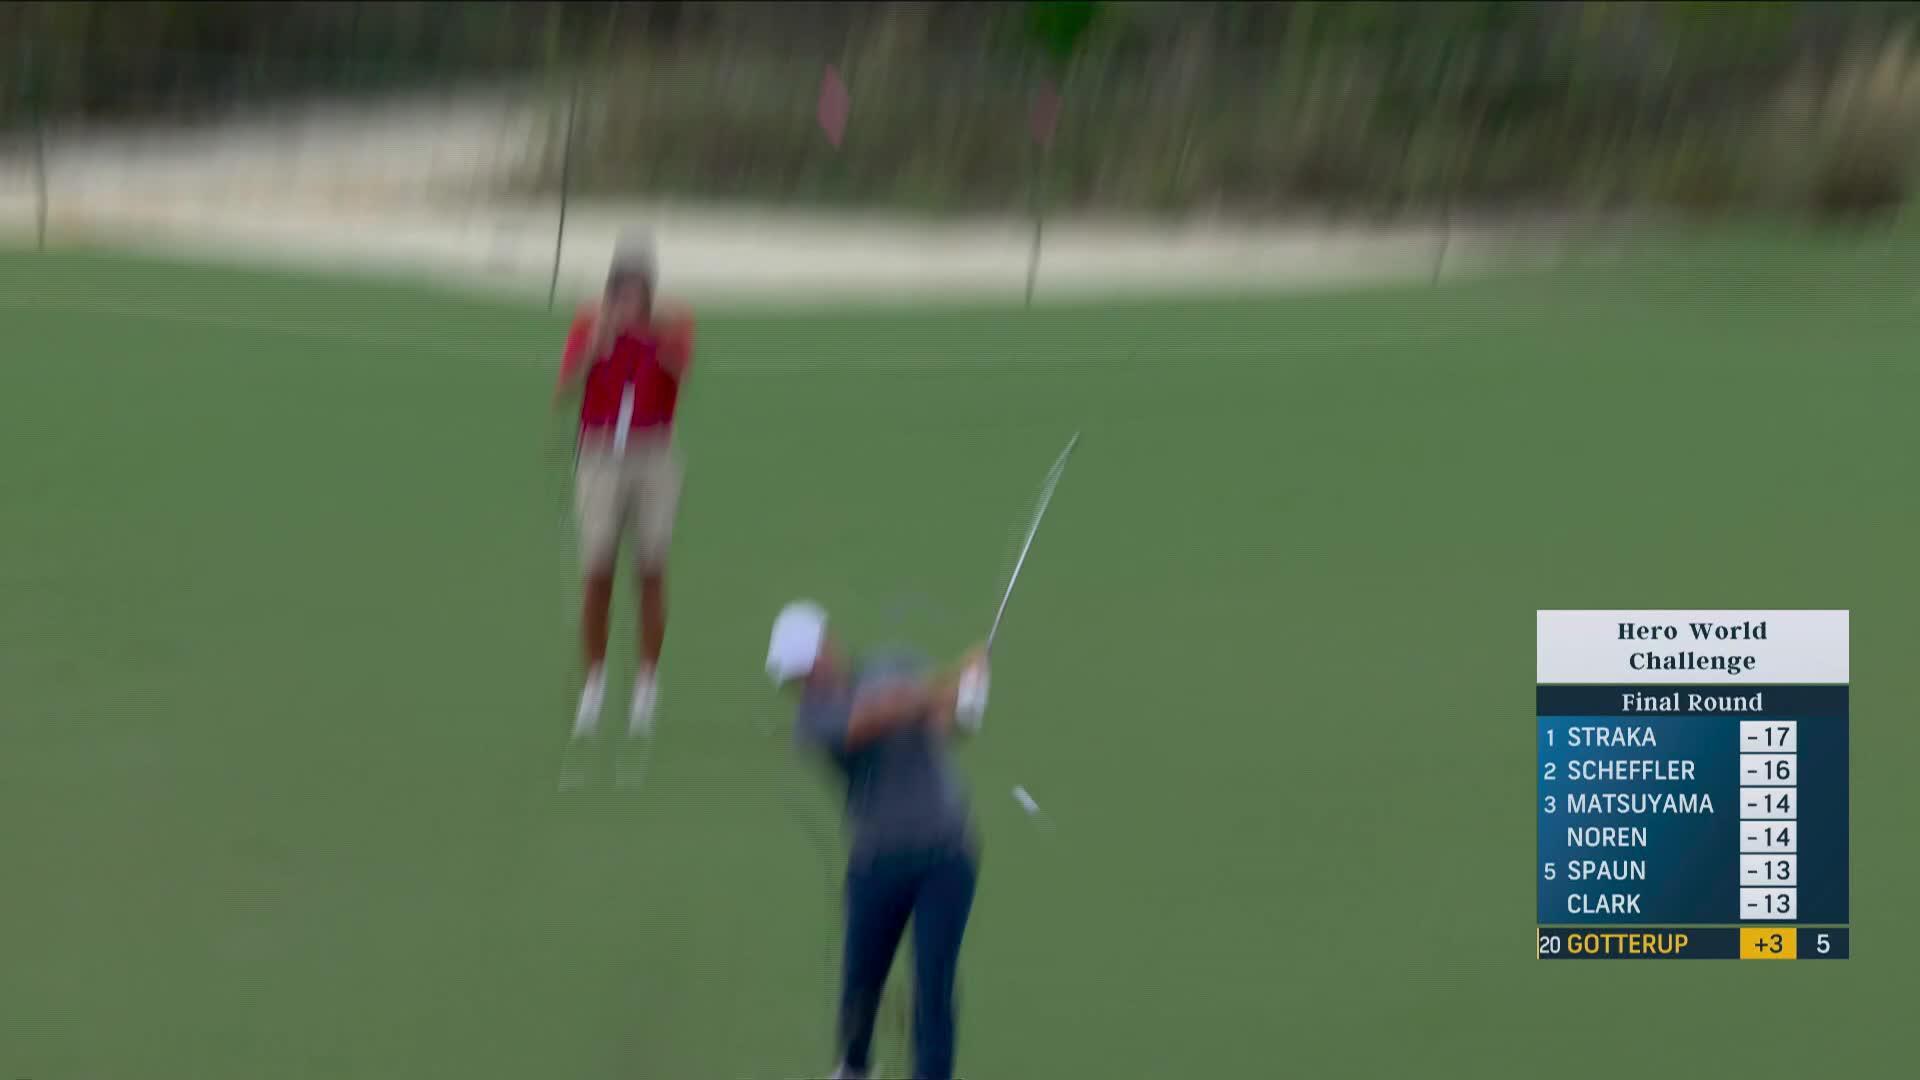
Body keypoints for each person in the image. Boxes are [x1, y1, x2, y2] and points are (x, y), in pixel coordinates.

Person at [765, 601, 990, 1080]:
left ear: (828, 647)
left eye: (806, 666)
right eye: (795, 675)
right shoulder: (813, 722)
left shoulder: (894, 664)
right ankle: (854, 1067)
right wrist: (948, 681)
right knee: (862, 982)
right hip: (876, 864)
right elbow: (875, 718)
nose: (803, 681)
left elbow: (944, 725)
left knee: (934, 984)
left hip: (946, 856)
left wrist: (969, 697)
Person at [553, 231, 694, 740]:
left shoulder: (674, 324)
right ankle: (594, 682)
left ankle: (647, 684)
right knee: (597, 570)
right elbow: (563, 392)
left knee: (651, 567)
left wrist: (653, 333)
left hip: (653, 455)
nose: (627, 300)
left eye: (638, 289)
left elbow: (682, 368)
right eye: (620, 289)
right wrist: (596, 343)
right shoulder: (591, 324)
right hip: (599, 457)